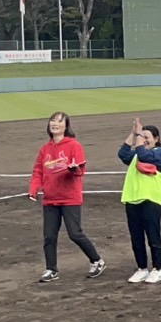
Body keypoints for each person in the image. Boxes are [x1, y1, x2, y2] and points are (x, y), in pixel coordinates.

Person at [29, 112, 104, 283]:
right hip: (50, 199)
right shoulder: (45, 149)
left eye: (59, 121)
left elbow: (80, 170)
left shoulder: (74, 146)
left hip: (70, 198)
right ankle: (51, 269)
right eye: (53, 120)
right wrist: (34, 189)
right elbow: (38, 172)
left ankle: (97, 261)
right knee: (49, 236)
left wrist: (73, 169)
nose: (55, 124)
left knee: (75, 233)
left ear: (66, 126)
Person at [118, 119, 161, 284]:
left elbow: (144, 155)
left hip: (151, 201)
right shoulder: (135, 155)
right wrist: (133, 134)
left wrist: (139, 137)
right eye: (142, 136)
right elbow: (123, 154)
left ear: (156, 139)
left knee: (153, 237)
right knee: (136, 238)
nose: (144, 140)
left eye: (147, 137)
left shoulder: (160, 153)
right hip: (132, 200)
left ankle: (157, 269)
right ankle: (142, 268)